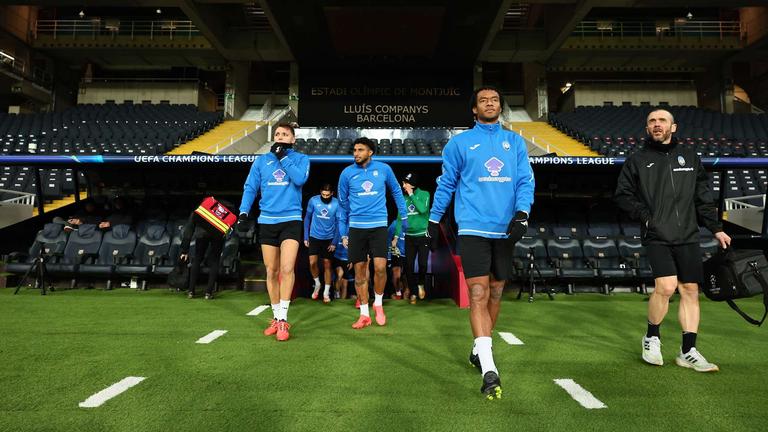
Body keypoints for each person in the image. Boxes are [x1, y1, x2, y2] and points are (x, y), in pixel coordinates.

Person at [428, 86, 534, 400]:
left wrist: (523, 213)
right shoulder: (459, 143)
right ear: (474, 109)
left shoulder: (514, 142)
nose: (490, 103)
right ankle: (489, 368)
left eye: (495, 100)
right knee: (478, 292)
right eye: (483, 100)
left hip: (505, 230)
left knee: (497, 291)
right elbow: (446, 183)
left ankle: (478, 348)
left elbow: (525, 180)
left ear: (501, 106)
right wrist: (434, 220)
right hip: (472, 227)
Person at [615, 108, 731, 372]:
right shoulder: (638, 160)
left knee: (690, 290)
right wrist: (646, 217)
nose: (657, 125)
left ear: (673, 127)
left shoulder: (690, 157)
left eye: (661, 121)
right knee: (666, 287)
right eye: (652, 122)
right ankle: (651, 337)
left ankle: (688, 350)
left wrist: (715, 228)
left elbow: (702, 198)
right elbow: (622, 195)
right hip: (657, 234)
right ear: (647, 129)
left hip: (688, 234)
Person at [238, 123, 309, 342]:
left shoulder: (301, 159)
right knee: (271, 270)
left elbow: (300, 180)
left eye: (285, 134)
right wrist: (243, 211)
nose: (280, 136)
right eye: (277, 133)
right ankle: (277, 318)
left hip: (291, 220)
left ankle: (284, 320)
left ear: (292, 139)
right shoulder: (261, 161)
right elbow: (251, 187)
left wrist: (284, 158)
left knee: (287, 269)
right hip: (267, 220)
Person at [338, 137, 409, 329]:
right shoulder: (346, 173)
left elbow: (396, 191)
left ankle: (378, 304)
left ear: (370, 152)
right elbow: (342, 205)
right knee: (360, 273)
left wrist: (404, 215)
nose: (356, 153)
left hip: (378, 226)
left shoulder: (384, 169)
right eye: (354, 150)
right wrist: (343, 232)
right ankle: (364, 314)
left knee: (379, 268)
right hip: (356, 228)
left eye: (360, 150)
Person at [304, 183, 340, 303]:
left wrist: (334, 242)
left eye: (327, 195)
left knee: (327, 265)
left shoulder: (337, 204)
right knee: (312, 263)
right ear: (320, 192)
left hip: (329, 238)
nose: (325, 197)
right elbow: (307, 218)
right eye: (323, 195)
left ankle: (326, 292)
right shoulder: (313, 201)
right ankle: (317, 284)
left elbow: (340, 224)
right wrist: (306, 236)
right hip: (314, 236)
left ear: (332, 194)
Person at [179, 208, 225, 300]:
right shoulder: (221, 210)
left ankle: (191, 291)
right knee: (215, 261)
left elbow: (189, 229)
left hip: (201, 234)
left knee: (197, 259)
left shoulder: (200, 210)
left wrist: (184, 249)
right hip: (217, 235)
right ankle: (208, 293)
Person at [401, 172, 431, 303]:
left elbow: (423, 210)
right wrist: (397, 235)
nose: (403, 186)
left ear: (412, 184)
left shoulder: (425, 194)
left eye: (405, 183)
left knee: (423, 264)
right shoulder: (403, 198)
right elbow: (399, 217)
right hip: (409, 237)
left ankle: (420, 284)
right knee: (408, 266)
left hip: (423, 235)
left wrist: (412, 195)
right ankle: (413, 292)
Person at [387, 218, 407, 300]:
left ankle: (406, 293)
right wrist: (388, 256)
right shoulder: (395, 224)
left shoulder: (414, 222)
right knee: (397, 274)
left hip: (409, 254)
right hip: (397, 253)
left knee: (406, 277)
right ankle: (398, 293)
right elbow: (387, 238)